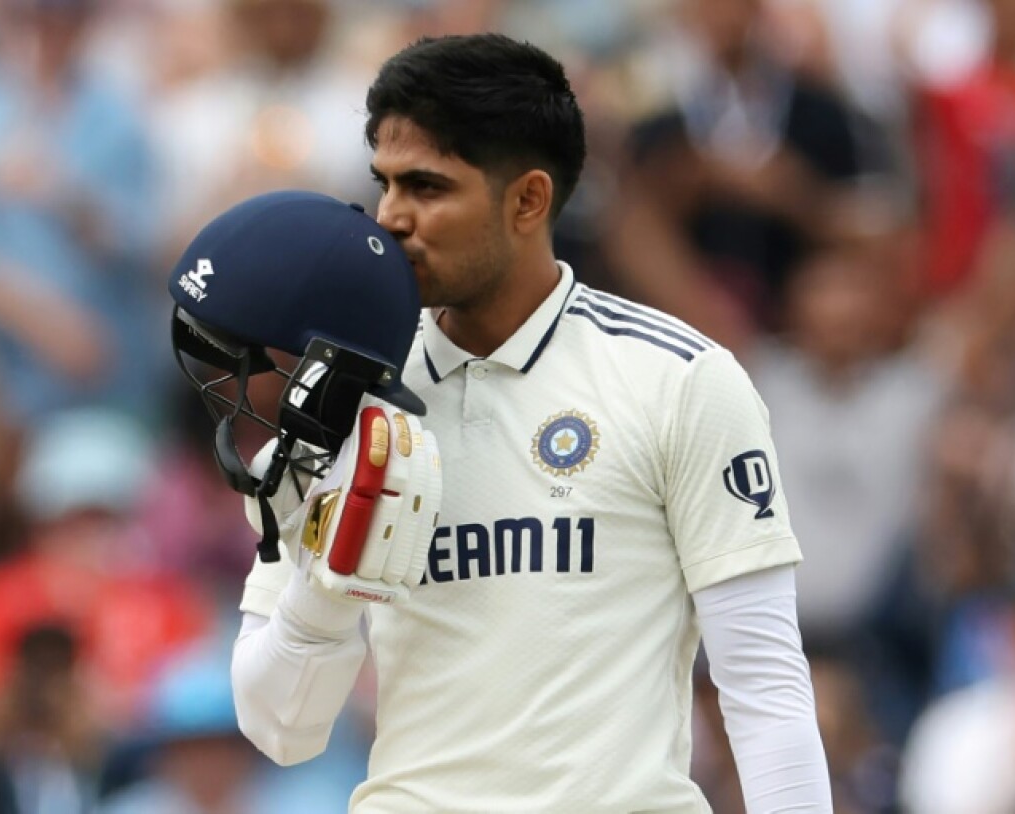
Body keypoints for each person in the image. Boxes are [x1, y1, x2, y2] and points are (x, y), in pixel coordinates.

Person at [180, 34, 832, 813]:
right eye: (383, 183)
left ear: (528, 199)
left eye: (427, 186)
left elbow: (762, 683)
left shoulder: (680, 379)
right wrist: (328, 579)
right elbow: (278, 728)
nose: (390, 218)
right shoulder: (339, 395)